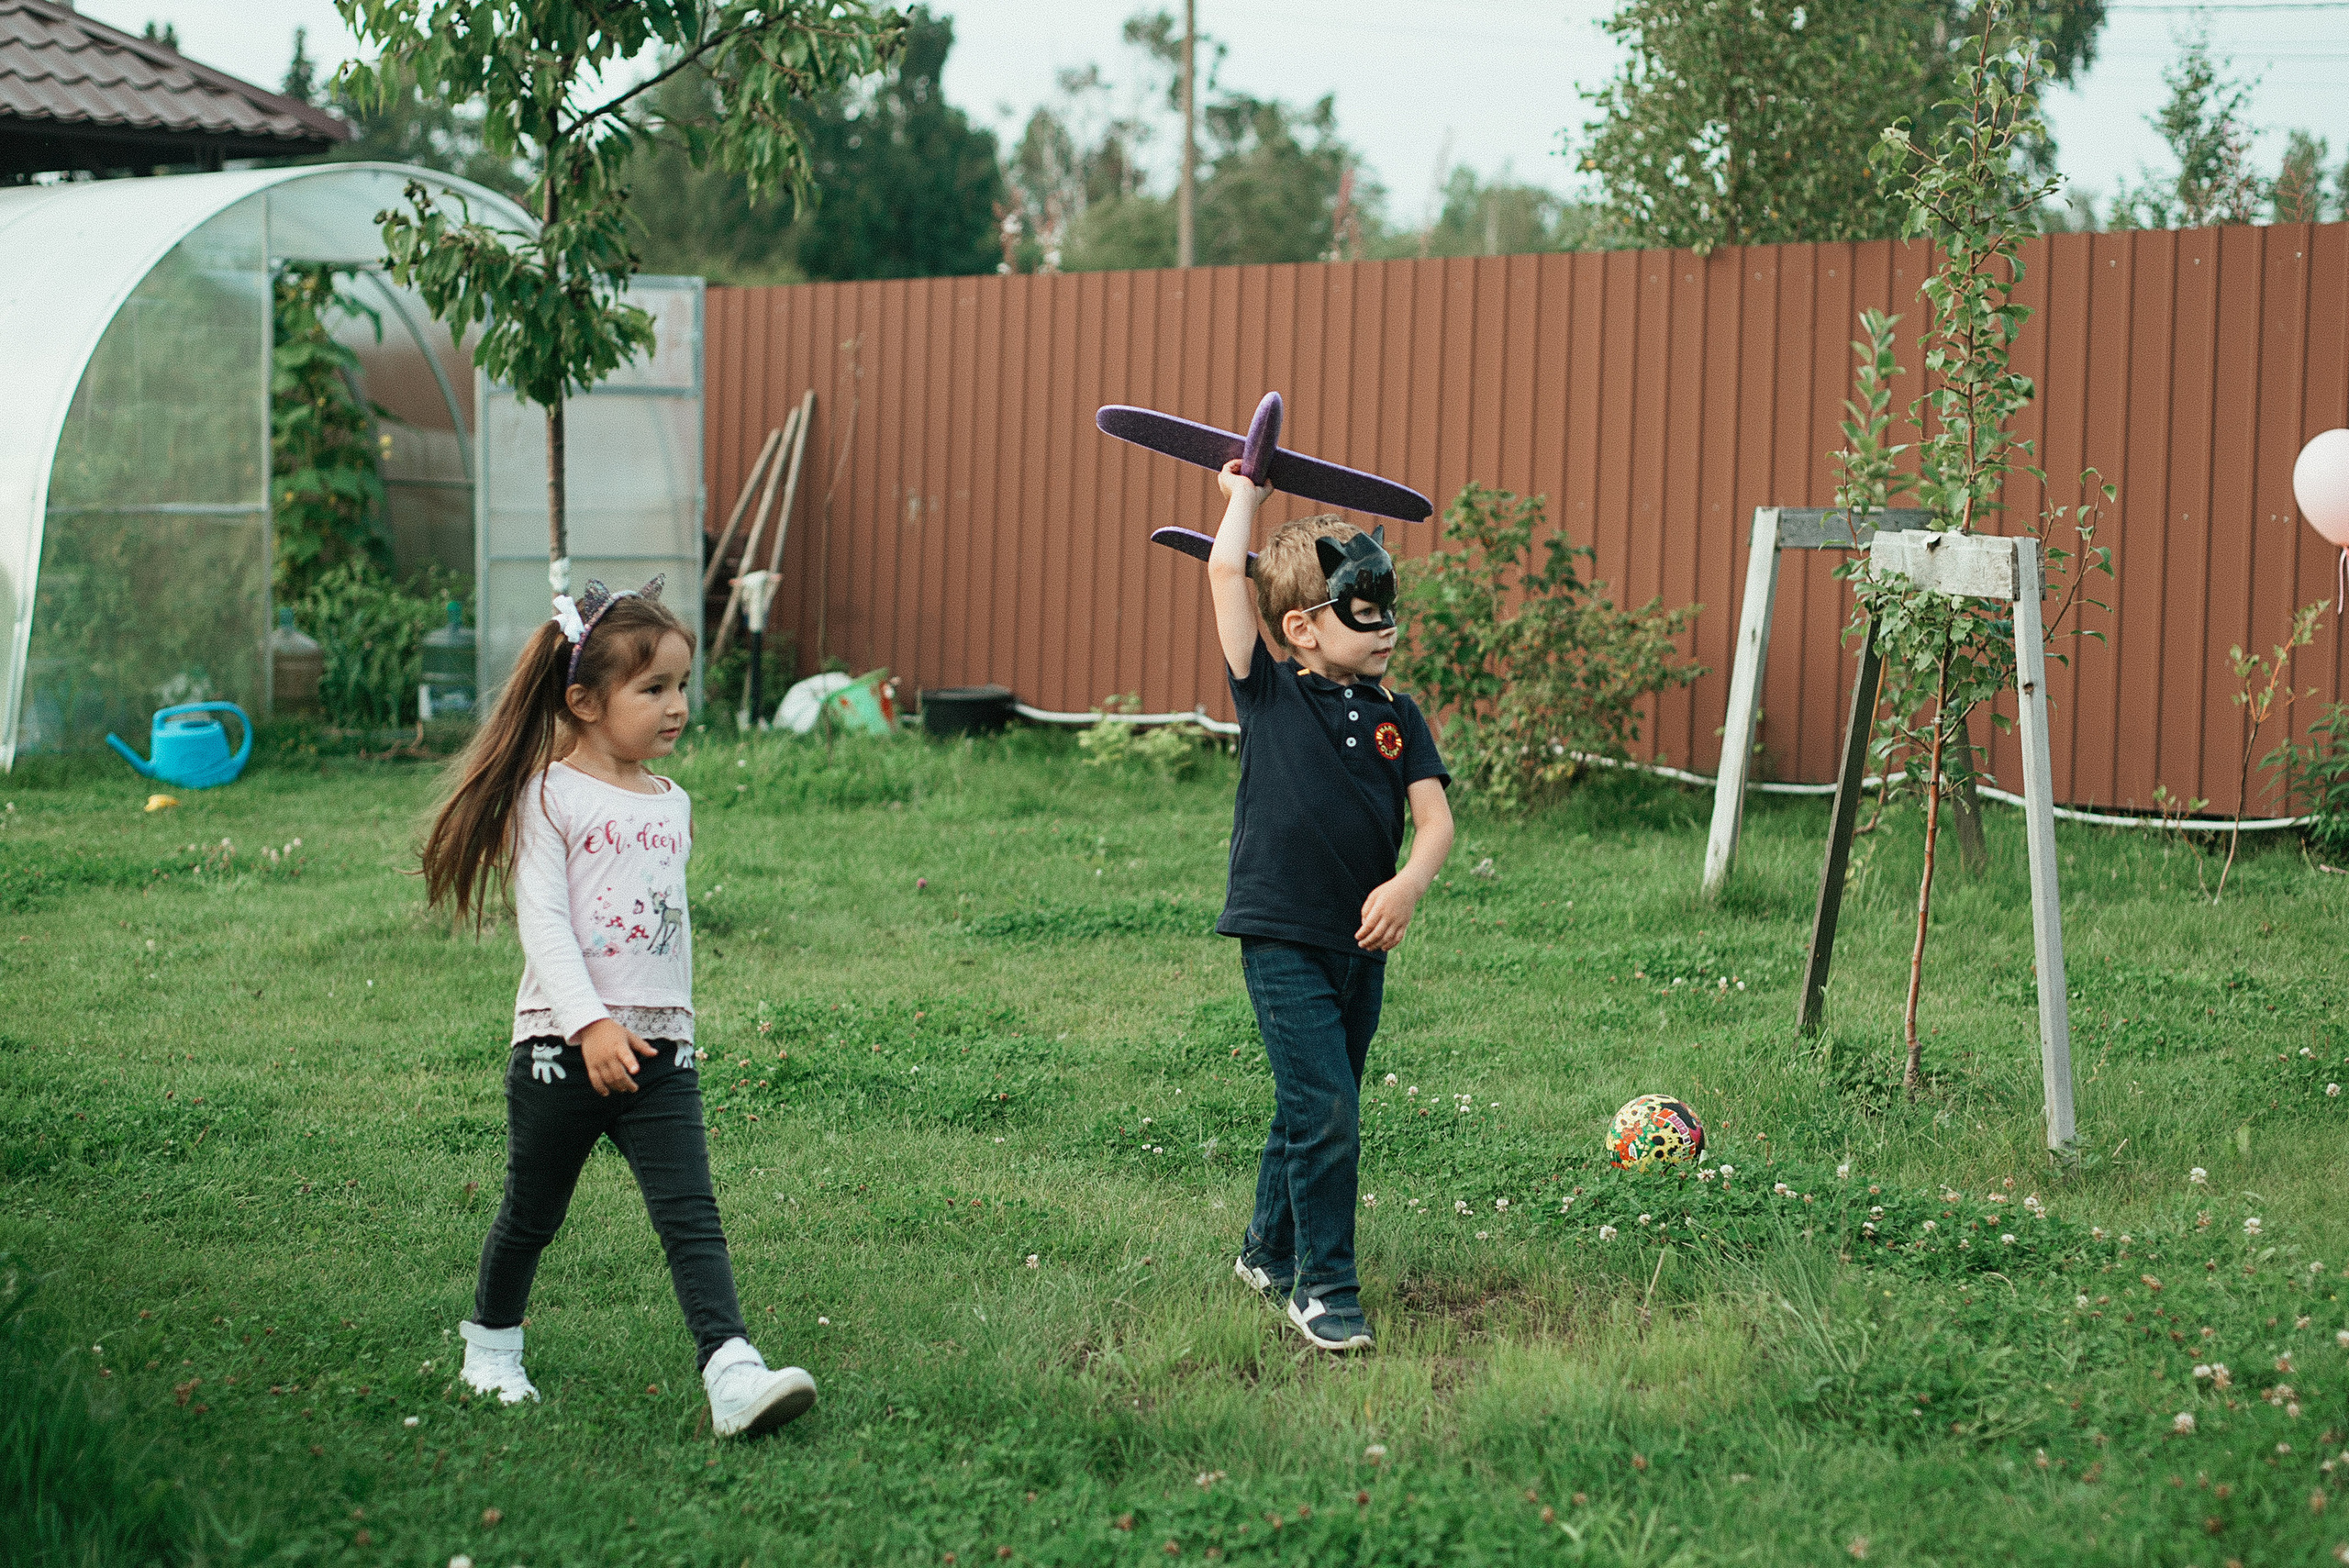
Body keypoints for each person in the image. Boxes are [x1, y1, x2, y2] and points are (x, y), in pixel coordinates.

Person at [418, 578, 813, 1437]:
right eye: (654, 689)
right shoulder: (549, 796)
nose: (677, 706)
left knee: (691, 1215)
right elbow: (549, 930)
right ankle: (491, 1345)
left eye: (680, 685)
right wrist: (590, 1024)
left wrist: (658, 1027)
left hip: (662, 1052)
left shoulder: (672, 802)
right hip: (562, 1052)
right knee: (533, 1210)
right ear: (585, 701)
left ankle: (732, 1369)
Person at [1206, 462, 1454, 1352]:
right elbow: (1225, 576)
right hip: (1280, 936)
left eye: (1391, 609)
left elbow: (1434, 822)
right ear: (1303, 628)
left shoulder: (1402, 716)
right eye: (1365, 612)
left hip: (1362, 946)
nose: (1386, 628)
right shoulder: (1268, 693)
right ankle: (1323, 1286)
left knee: (1318, 1097)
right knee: (1326, 1109)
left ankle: (1266, 1249)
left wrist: (1406, 882)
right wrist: (1244, 499)